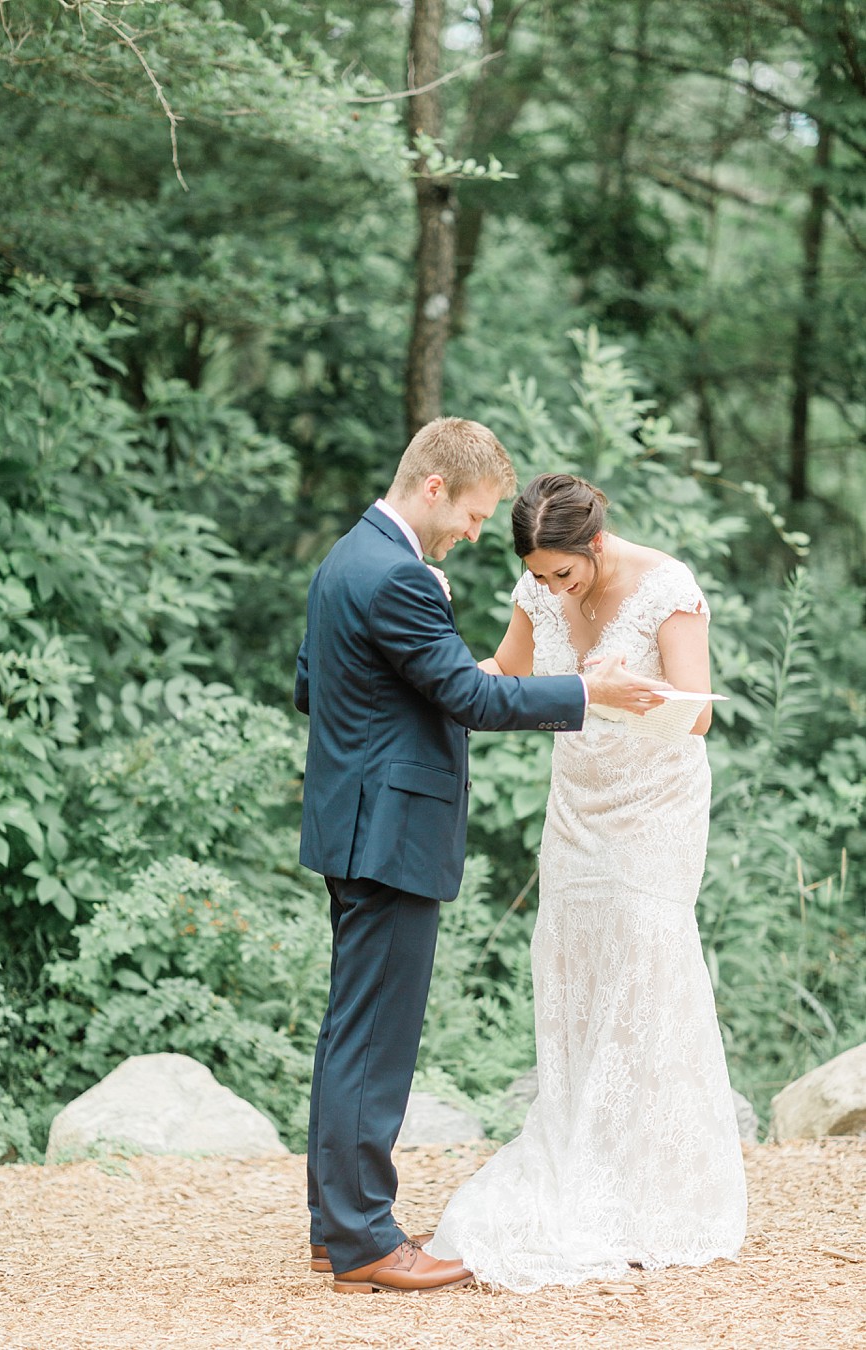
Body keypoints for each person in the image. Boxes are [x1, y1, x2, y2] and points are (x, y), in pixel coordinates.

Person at [293, 422, 670, 1296]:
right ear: (434, 488)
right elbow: (465, 696)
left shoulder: (349, 557)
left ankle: (335, 1224)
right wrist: (589, 690)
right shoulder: (395, 575)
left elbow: (317, 682)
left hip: (353, 821)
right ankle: (362, 1242)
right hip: (389, 833)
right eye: (473, 512)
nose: (474, 531)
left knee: (353, 1029)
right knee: (376, 1041)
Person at [428, 472, 748, 1291]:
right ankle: (585, 1157)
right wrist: (422, 675)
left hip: (654, 805)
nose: (549, 587)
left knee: (647, 968)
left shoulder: (666, 585)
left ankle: (658, 1189)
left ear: (596, 545)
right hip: (578, 805)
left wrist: (610, 695)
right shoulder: (536, 589)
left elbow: (699, 710)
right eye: (538, 574)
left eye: (562, 574)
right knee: (575, 967)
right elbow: (504, 669)